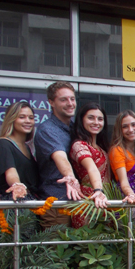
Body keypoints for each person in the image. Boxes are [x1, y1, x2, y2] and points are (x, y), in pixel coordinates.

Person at [34, 81, 82, 227]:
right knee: (58, 248)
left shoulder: (76, 129)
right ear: (51, 102)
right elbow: (60, 157)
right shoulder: (47, 130)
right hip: (56, 204)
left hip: (78, 202)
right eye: (63, 99)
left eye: (72, 99)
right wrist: (70, 178)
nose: (70, 103)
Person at [69, 102, 111, 228]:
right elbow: (92, 168)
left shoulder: (102, 148)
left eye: (100, 119)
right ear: (82, 120)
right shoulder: (79, 145)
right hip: (87, 200)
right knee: (87, 241)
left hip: (105, 199)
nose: (96, 122)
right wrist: (98, 190)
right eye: (90, 118)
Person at [0, 102, 40, 200]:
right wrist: (17, 186)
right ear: (12, 119)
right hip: (14, 202)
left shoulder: (26, 147)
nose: (28, 121)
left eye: (31, 118)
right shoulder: (4, 144)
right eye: (22, 117)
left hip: (30, 201)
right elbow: (11, 173)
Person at [109, 110, 135, 204]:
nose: (130, 130)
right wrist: (131, 194)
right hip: (127, 203)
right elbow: (124, 182)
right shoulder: (117, 150)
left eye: (134, 125)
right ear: (119, 130)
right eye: (125, 126)